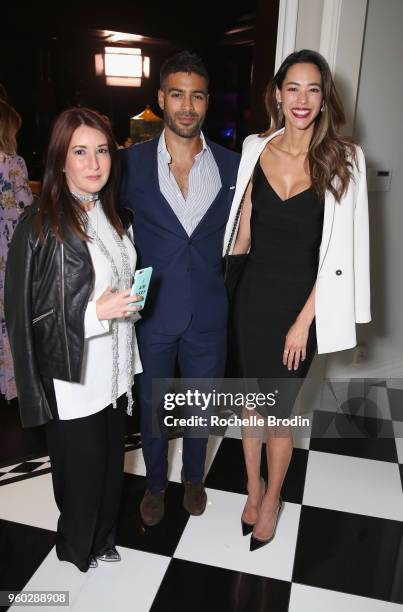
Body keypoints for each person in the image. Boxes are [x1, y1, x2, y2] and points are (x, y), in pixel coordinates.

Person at [223, 49, 370, 551]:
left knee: (280, 413)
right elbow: (243, 232)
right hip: (251, 298)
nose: (302, 99)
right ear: (278, 94)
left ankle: (273, 498)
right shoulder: (253, 149)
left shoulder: (344, 159)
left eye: (313, 89)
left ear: (324, 98)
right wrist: (221, 284)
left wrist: (304, 321)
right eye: (293, 88)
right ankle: (252, 487)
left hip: (300, 305)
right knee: (250, 407)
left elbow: (338, 254)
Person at [5, 107, 143, 571]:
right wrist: (97, 312)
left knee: (110, 472)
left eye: (101, 150)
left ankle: (102, 539)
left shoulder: (110, 214)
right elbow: (31, 317)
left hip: (114, 373)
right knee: (80, 476)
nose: (93, 163)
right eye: (79, 152)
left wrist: (126, 304)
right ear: (60, 160)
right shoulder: (41, 225)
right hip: (73, 376)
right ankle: (74, 550)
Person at [121, 51, 240, 526]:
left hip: (210, 312)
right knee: (152, 403)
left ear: (208, 102)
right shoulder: (129, 165)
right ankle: (154, 484)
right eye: (177, 94)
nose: (186, 106)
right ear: (161, 99)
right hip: (153, 313)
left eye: (196, 95)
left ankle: (193, 477)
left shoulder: (234, 167)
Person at [0, 100, 33, 400]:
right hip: (8, 250)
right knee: (10, 316)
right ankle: (12, 383)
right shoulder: (13, 163)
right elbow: (25, 209)